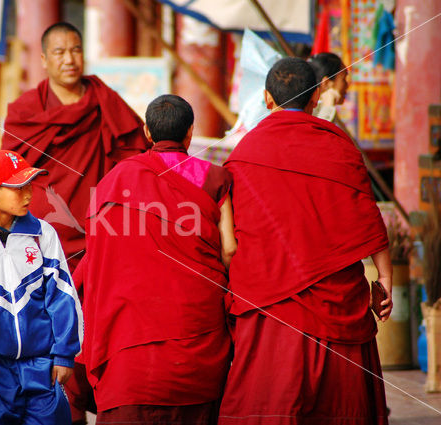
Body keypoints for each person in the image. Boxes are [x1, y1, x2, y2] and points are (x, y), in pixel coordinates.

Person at [218, 57, 392, 424]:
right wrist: (385, 279)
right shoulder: (340, 149)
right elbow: (366, 216)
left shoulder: (244, 154)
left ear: (267, 98)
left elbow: (231, 237)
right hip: (335, 298)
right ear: (316, 98)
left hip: (270, 298)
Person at [1, 21, 149, 423]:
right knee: (50, 337)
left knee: (103, 332)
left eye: (76, 50)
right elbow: (8, 180)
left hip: (104, 242)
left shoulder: (104, 99)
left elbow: (135, 161)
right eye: (61, 52)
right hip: (46, 244)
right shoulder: (26, 112)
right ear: (45, 59)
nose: (70, 59)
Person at [81, 95, 234, 424]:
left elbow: (98, 254)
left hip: (130, 341)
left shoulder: (117, 179)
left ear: (147, 133)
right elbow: (230, 249)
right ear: (190, 132)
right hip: (197, 333)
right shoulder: (212, 176)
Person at [0, 150, 83, 425]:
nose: (28, 194)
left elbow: (62, 295)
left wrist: (64, 354)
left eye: (29, 185)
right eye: (17, 188)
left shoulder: (42, 234)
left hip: (43, 365)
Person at [308, 52, 349, 121]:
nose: (347, 85)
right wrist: (328, 106)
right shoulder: (306, 110)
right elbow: (318, 131)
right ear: (326, 83)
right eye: (343, 79)